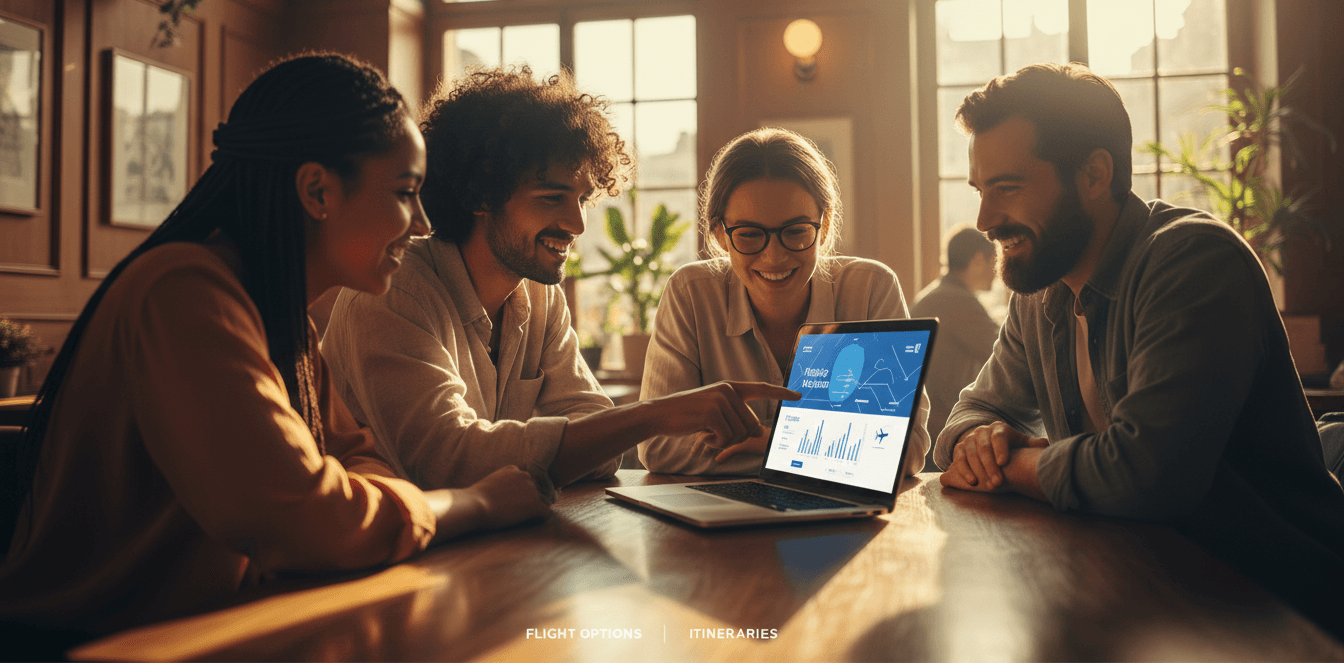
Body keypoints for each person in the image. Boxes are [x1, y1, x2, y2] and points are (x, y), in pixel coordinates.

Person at [0, 55, 551, 647]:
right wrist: (474, 504)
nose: (420, 224)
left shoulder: (284, 324)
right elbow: (306, 517)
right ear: (317, 190)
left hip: (227, 630)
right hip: (90, 647)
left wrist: (370, 502)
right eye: (404, 192)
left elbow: (354, 463)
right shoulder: (182, 291)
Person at [933, 62, 1344, 638]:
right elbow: (962, 423)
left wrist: (1017, 464)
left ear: (1094, 174)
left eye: (1008, 188)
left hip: (1274, 604)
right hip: (1139, 590)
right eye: (981, 190)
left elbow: (1146, 476)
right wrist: (980, 441)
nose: (985, 220)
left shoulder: (1194, 263)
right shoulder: (1041, 285)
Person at [321, 68, 792, 496]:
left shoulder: (540, 296)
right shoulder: (392, 291)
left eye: (584, 199)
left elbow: (601, 450)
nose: (577, 224)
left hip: (486, 549)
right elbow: (445, 462)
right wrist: (655, 414)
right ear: (480, 193)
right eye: (551, 198)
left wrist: (541, 452)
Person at [639, 128, 931, 476]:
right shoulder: (691, 293)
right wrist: (825, 453)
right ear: (720, 234)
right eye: (749, 235)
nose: (774, 257)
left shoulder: (871, 289)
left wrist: (772, 442)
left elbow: (907, 450)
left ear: (824, 227)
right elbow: (658, 446)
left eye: (795, 232)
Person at [911, 226, 1000, 470]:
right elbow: (1006, 351)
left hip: (928, 426)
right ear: (978, 260)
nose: (998, 272)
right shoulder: (956, 300)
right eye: (995, 260)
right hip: (943, 432)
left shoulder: (934, 295)